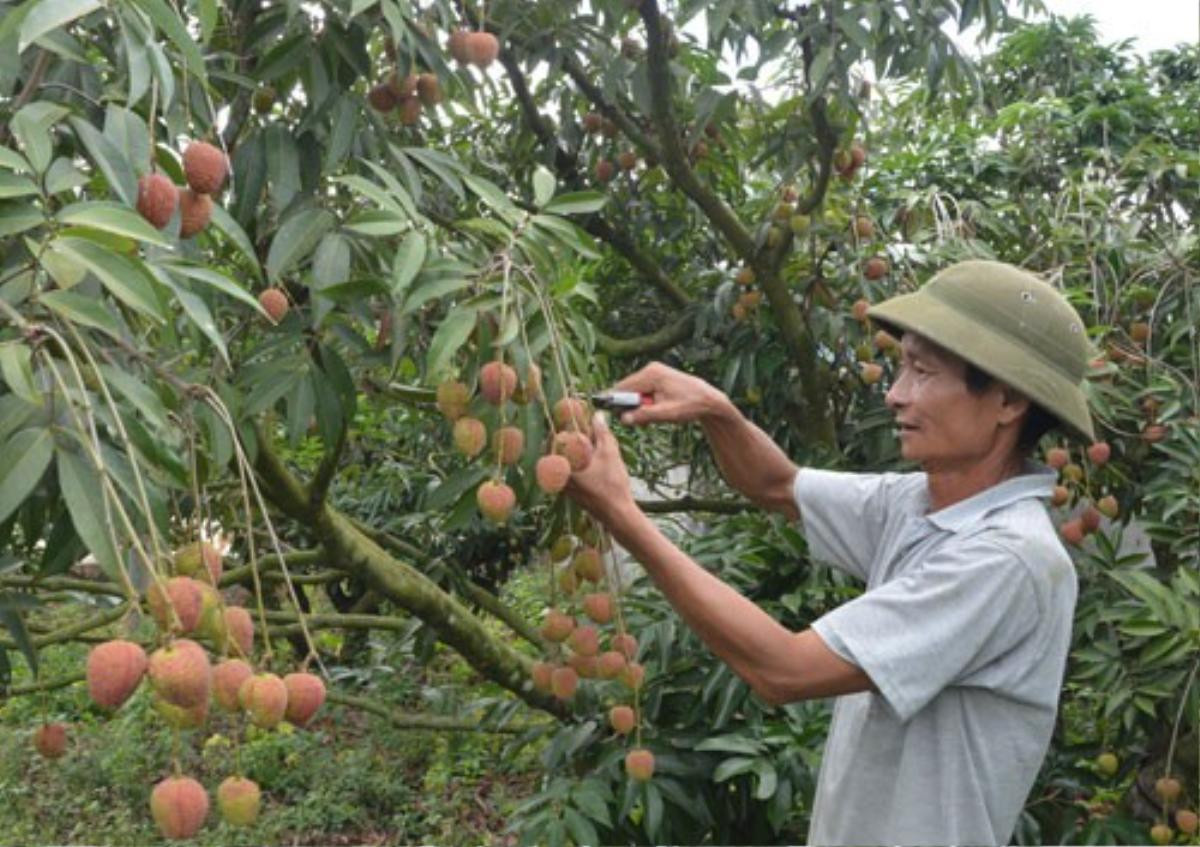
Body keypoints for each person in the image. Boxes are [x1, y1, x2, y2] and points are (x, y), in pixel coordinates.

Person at [565, 260, 1097, 846]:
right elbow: (777, 485)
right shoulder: (919, 504)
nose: (895, 395)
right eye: (900, 367)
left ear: (1006, 402)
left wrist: (623, 516)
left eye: (923, 372)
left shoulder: (1006, 559)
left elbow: (784, 670)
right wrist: (715, 410)